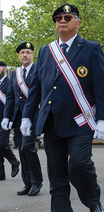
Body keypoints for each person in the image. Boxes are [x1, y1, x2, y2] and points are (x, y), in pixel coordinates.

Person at [20, 4, 104, 211]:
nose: (62, 20)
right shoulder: (45, 51)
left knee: (79, 165)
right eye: (58, 17)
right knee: (56, 171)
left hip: (81, 120)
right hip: (52, 121)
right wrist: (27, 116)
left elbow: (102, 87)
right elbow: (36, 87)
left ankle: (92, 200)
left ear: (77, 23)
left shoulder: (91, 48)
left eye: (67, 17)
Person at [1, 42, 43, 196]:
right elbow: (10, 98)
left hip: (33, 115)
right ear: (19, 56)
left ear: (33, 55)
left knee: (27, 147)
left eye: (28, 52)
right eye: (22, 53)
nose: (25, 55)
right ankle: (27, 182)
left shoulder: (39, 70)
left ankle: (36, 181)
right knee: (21, 149)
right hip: (19, 118)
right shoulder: (15, 74)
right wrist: (6, 117)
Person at [0, 61, 20, 181]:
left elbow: (12, 101)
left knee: (2, 143)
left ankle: (14, 161)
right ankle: (1, 173)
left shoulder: (9, 82)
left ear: (4, 69)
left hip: (5, 119)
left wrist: (11, 118)